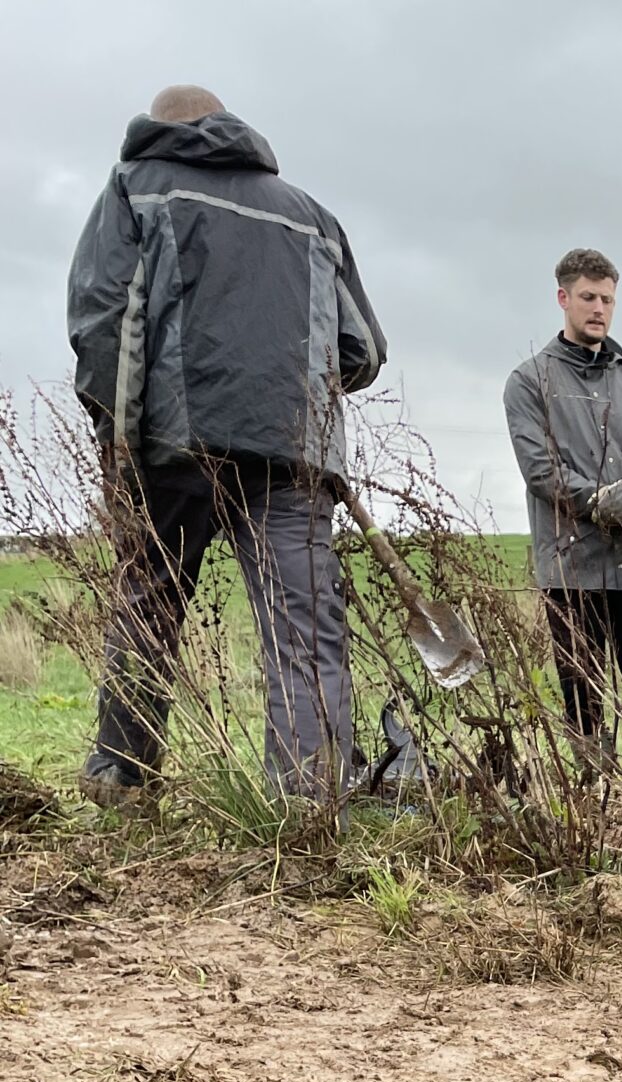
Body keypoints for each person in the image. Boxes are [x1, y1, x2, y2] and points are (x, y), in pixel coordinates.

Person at [66, 85, 385, 803]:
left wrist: (115, 437)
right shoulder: (311, 215)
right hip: (296, 456)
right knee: (303, 632)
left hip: (172, 446)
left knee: (149, 601)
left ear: (156, 128)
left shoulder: (134, 188)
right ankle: (308, 802)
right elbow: (361, 349)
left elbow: (99, 322)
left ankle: (122, 776)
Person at [503, 249, 622, 768]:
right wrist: (610, 501)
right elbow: (542, 473)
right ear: (563, 299)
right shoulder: (529, 382)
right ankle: (592, 814)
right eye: (588, 297)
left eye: (607, 299)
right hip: (568, 570)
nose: (599, 308)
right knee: (583, 705)